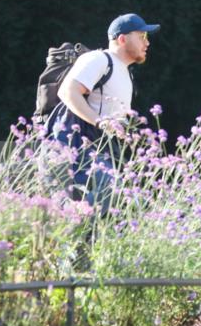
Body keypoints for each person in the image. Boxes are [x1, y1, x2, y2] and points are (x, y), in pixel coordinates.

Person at [55, 13, 159, 213]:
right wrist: (100, 122)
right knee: (112, 193)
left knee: (128, 205)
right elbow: (67, 92)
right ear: (122, 39)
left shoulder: (125, 73)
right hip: (74, 148)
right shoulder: (98, 59)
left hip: (98, 151)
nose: (147, 43)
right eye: (142, 37)